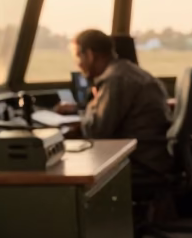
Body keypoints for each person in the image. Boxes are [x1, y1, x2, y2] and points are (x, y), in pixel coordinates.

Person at [56, 29, 172, 177]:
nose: (78, 64)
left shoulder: (116, 80)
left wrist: (73, 127)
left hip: (139, 160)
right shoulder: (124, 71)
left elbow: (97, 131)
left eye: (78, 56)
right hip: (148, 154)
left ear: (90, 55)